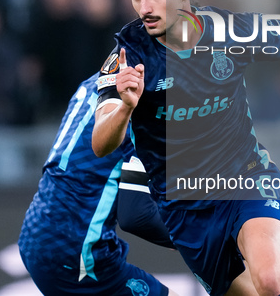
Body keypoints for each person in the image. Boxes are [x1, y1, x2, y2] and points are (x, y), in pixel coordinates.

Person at [92, 0, 280, 296]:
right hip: (185, 212)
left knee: (270, 278)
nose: (145, 7)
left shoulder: (228, 31)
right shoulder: (127, 56)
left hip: (245, 177)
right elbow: (101, 143)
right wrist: (127, 106)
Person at [19, 72, 176, 295]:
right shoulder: (144, 104)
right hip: (76, 249)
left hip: (38, 230)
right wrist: (194, 240)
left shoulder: (97, 81)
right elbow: (137, 216)